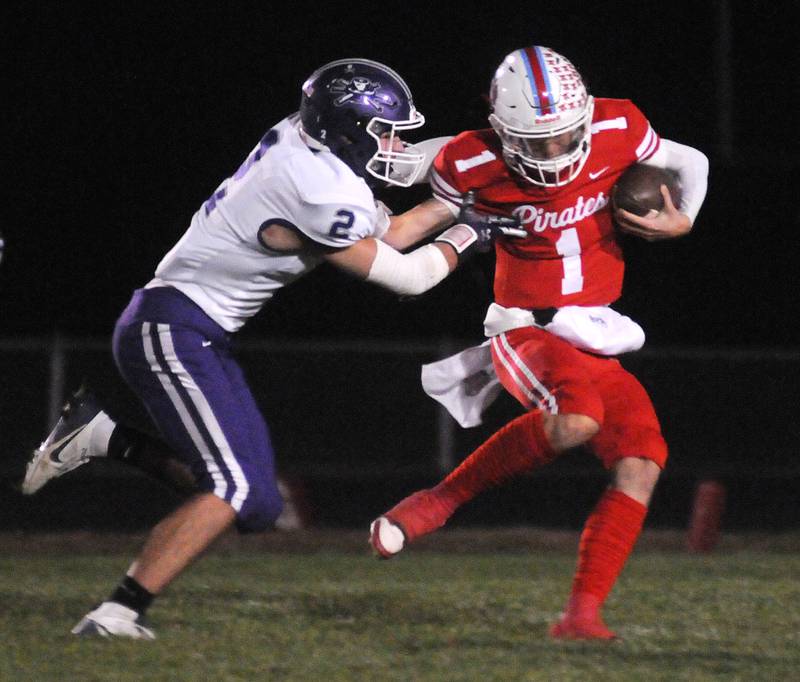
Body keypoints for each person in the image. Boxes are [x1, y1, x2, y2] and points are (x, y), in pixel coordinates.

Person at [22, 57, 522, 639]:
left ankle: (105, 436)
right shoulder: (315, 189)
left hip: (197, 332)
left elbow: (389, 233)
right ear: (347, 127)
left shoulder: (308, 144)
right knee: (232, 489)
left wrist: (458, 202)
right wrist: (469, 234)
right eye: (383, 131)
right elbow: (405, 275)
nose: (391, 145)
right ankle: (116, 614)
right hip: (172, 326)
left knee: (258, 506)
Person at [369, 45, 709, 640]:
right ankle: (437, 502)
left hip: (594, 328)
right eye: (534, 141)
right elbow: (408, 227)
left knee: (642, 460)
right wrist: (349, 222)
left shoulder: (618, 123)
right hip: (525, 324)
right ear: (501, 130)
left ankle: (580, 617)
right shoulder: (471, 160)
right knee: (576, 420)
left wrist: (685, 219)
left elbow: (693, 161)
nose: (552, 153)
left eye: (562, 137)